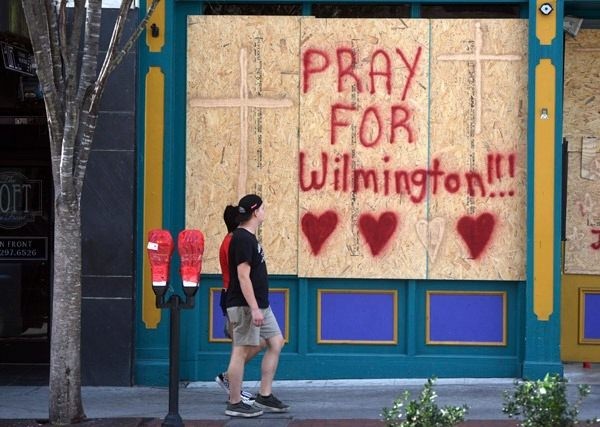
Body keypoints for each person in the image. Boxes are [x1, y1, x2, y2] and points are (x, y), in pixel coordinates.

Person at [224, 194, 289, 418]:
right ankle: (234, 402)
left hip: (261, 304)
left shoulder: (250, 237)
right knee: (241, 351)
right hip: (245, 305)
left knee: (276, 342)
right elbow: (243, 277)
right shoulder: (242, 239)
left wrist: (259, 306)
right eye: (263, 208)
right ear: (255, 212)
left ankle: (264, 395)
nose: (265, 212)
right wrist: (253, 308)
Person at [214, 205, 262, 404]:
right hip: (234, 298)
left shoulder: (231, 240)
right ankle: (234, 391)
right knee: (239, 349)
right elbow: (241, 275)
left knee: (252, 345)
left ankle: (230, 381)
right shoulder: (234, 241)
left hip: (232, 297)